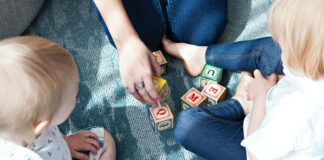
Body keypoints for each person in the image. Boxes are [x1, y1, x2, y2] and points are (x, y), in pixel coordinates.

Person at [165, 0, 324, 159]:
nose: (277, 42)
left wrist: (261, 96)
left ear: (301, 55)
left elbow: (255, 154)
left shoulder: (290, 112)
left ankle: (241, 103)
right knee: (271, 51)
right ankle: (200, 56)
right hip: (285, 124)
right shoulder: (314, 61)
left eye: (283, 44)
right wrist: (283, 79)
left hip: (258, 141)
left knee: (188, 125)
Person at [0, 36, 116, 160]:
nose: (77, 99)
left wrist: (66, 141)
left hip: (57, 148)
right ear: (42, 125)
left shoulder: (29, 121)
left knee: (104, 141)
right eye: (73, 97)